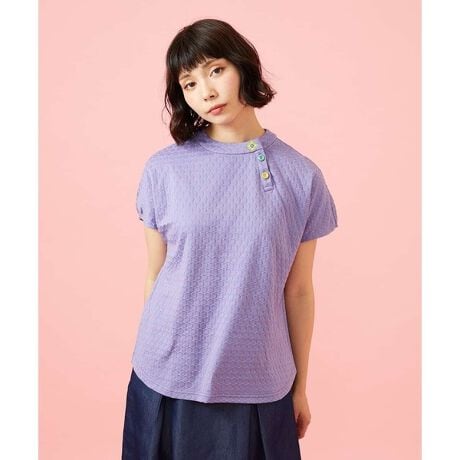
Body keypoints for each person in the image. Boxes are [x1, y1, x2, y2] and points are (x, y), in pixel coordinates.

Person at [122, 18, 338, 459]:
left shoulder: (301, 176)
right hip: (167, 374)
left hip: (258, 379)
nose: (206, 91)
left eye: (216, 70)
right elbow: (155, 277)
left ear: (243, 67)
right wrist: (158, 356)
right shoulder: (164, 170)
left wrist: (300, 387)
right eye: (189, 83)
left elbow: (298, 290)